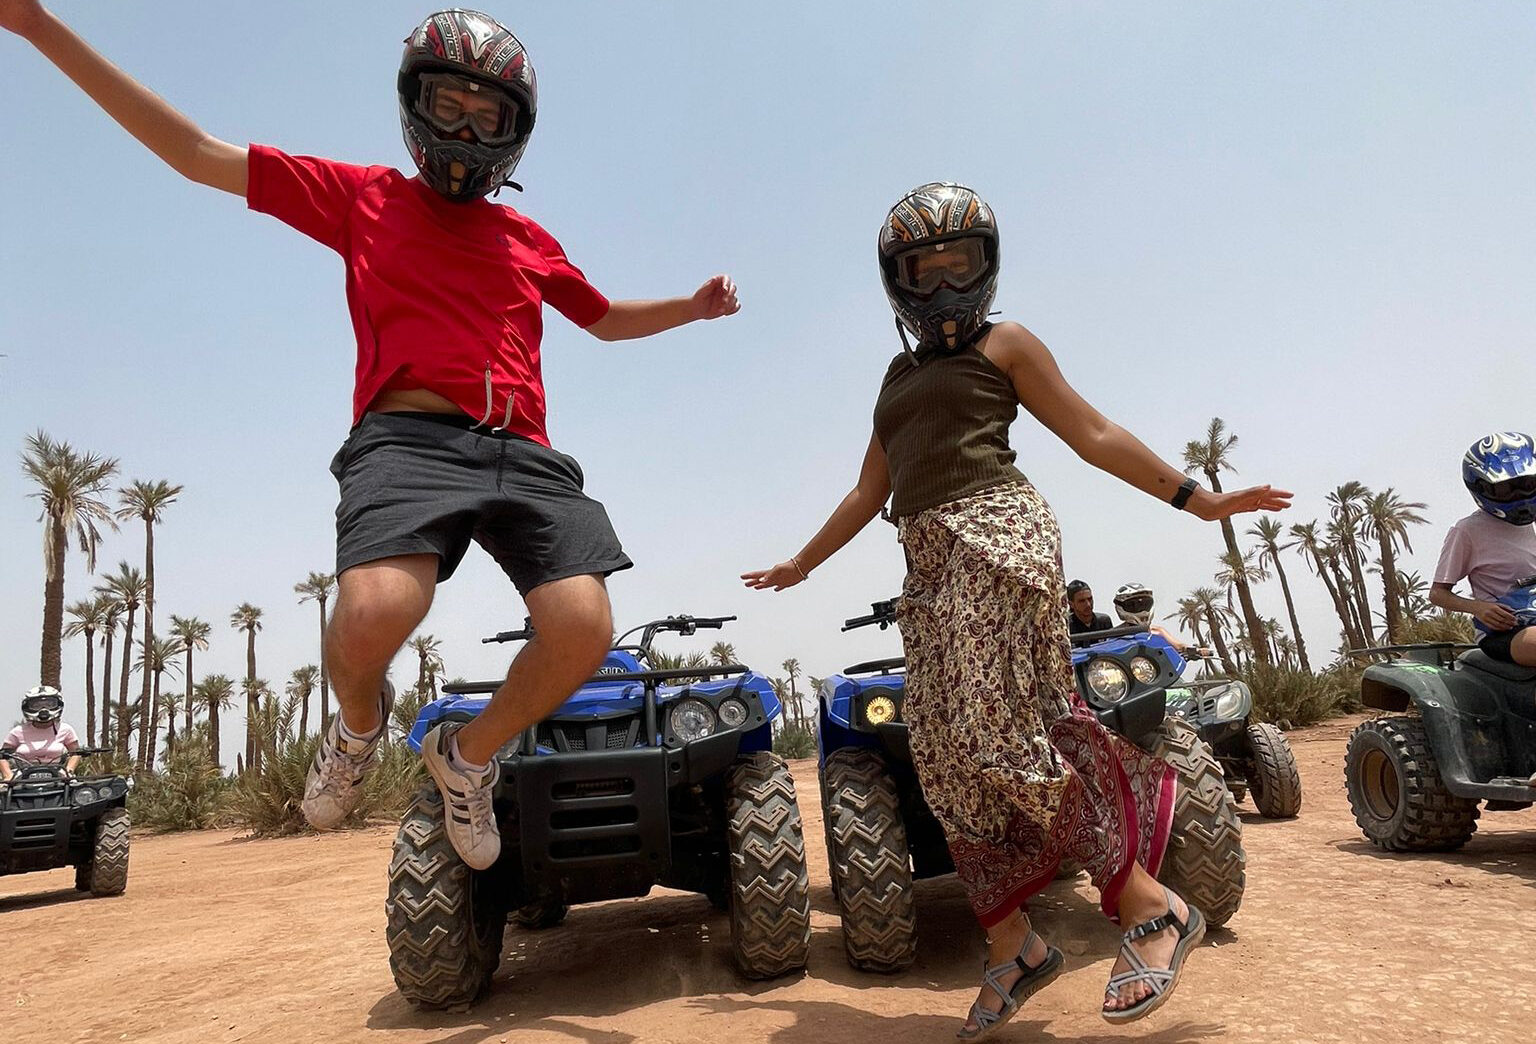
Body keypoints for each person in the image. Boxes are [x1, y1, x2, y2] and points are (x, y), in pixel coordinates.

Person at [2, 3, 740, 868]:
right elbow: (195, 154)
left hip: (522, 450)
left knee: (583, 627)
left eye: (487, 113)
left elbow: (604, 317)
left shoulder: (528, 236)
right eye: (449, 105)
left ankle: (466, 757)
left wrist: (689, 309)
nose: (466, 128)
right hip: (407, 440)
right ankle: (356, 728)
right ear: (414, 108)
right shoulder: (363, 198)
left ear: (515, 130)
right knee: (373, 613)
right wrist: (39, 26)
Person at [744, 182, 1290, 1032]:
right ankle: (1013, 946)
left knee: (1008, 733)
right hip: (927, 568)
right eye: (918, 271)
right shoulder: (896, 376)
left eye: (954, 264)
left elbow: (1093, 433)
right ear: (896, 281)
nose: (937, 286)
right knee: (945, 758)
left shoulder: (1008, 343)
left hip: (999, 535)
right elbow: (867, 491)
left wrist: (1199, 499)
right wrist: (802, 563)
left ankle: (1151, 906)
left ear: (984, 268)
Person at [1430, 433, 1536, 669]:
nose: (1518, 496)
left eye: (1526, 485)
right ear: (1481, 488)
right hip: (1505, 630)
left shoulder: (1531, 524)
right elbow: (1437, 593)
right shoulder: (1468, 531)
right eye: (1505, 489)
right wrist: (1479, 607)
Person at [0, 687, 81, 781]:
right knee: (4, 792)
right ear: (27, 707)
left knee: (77, 790)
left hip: (58, 772)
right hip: (22, 774)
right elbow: (2, 755)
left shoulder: (65, 729)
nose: (43, 709)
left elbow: (76, 752)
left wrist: (69, 771)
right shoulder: (18, 731)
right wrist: (8, 775)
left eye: (49, 704)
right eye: (37, 705)